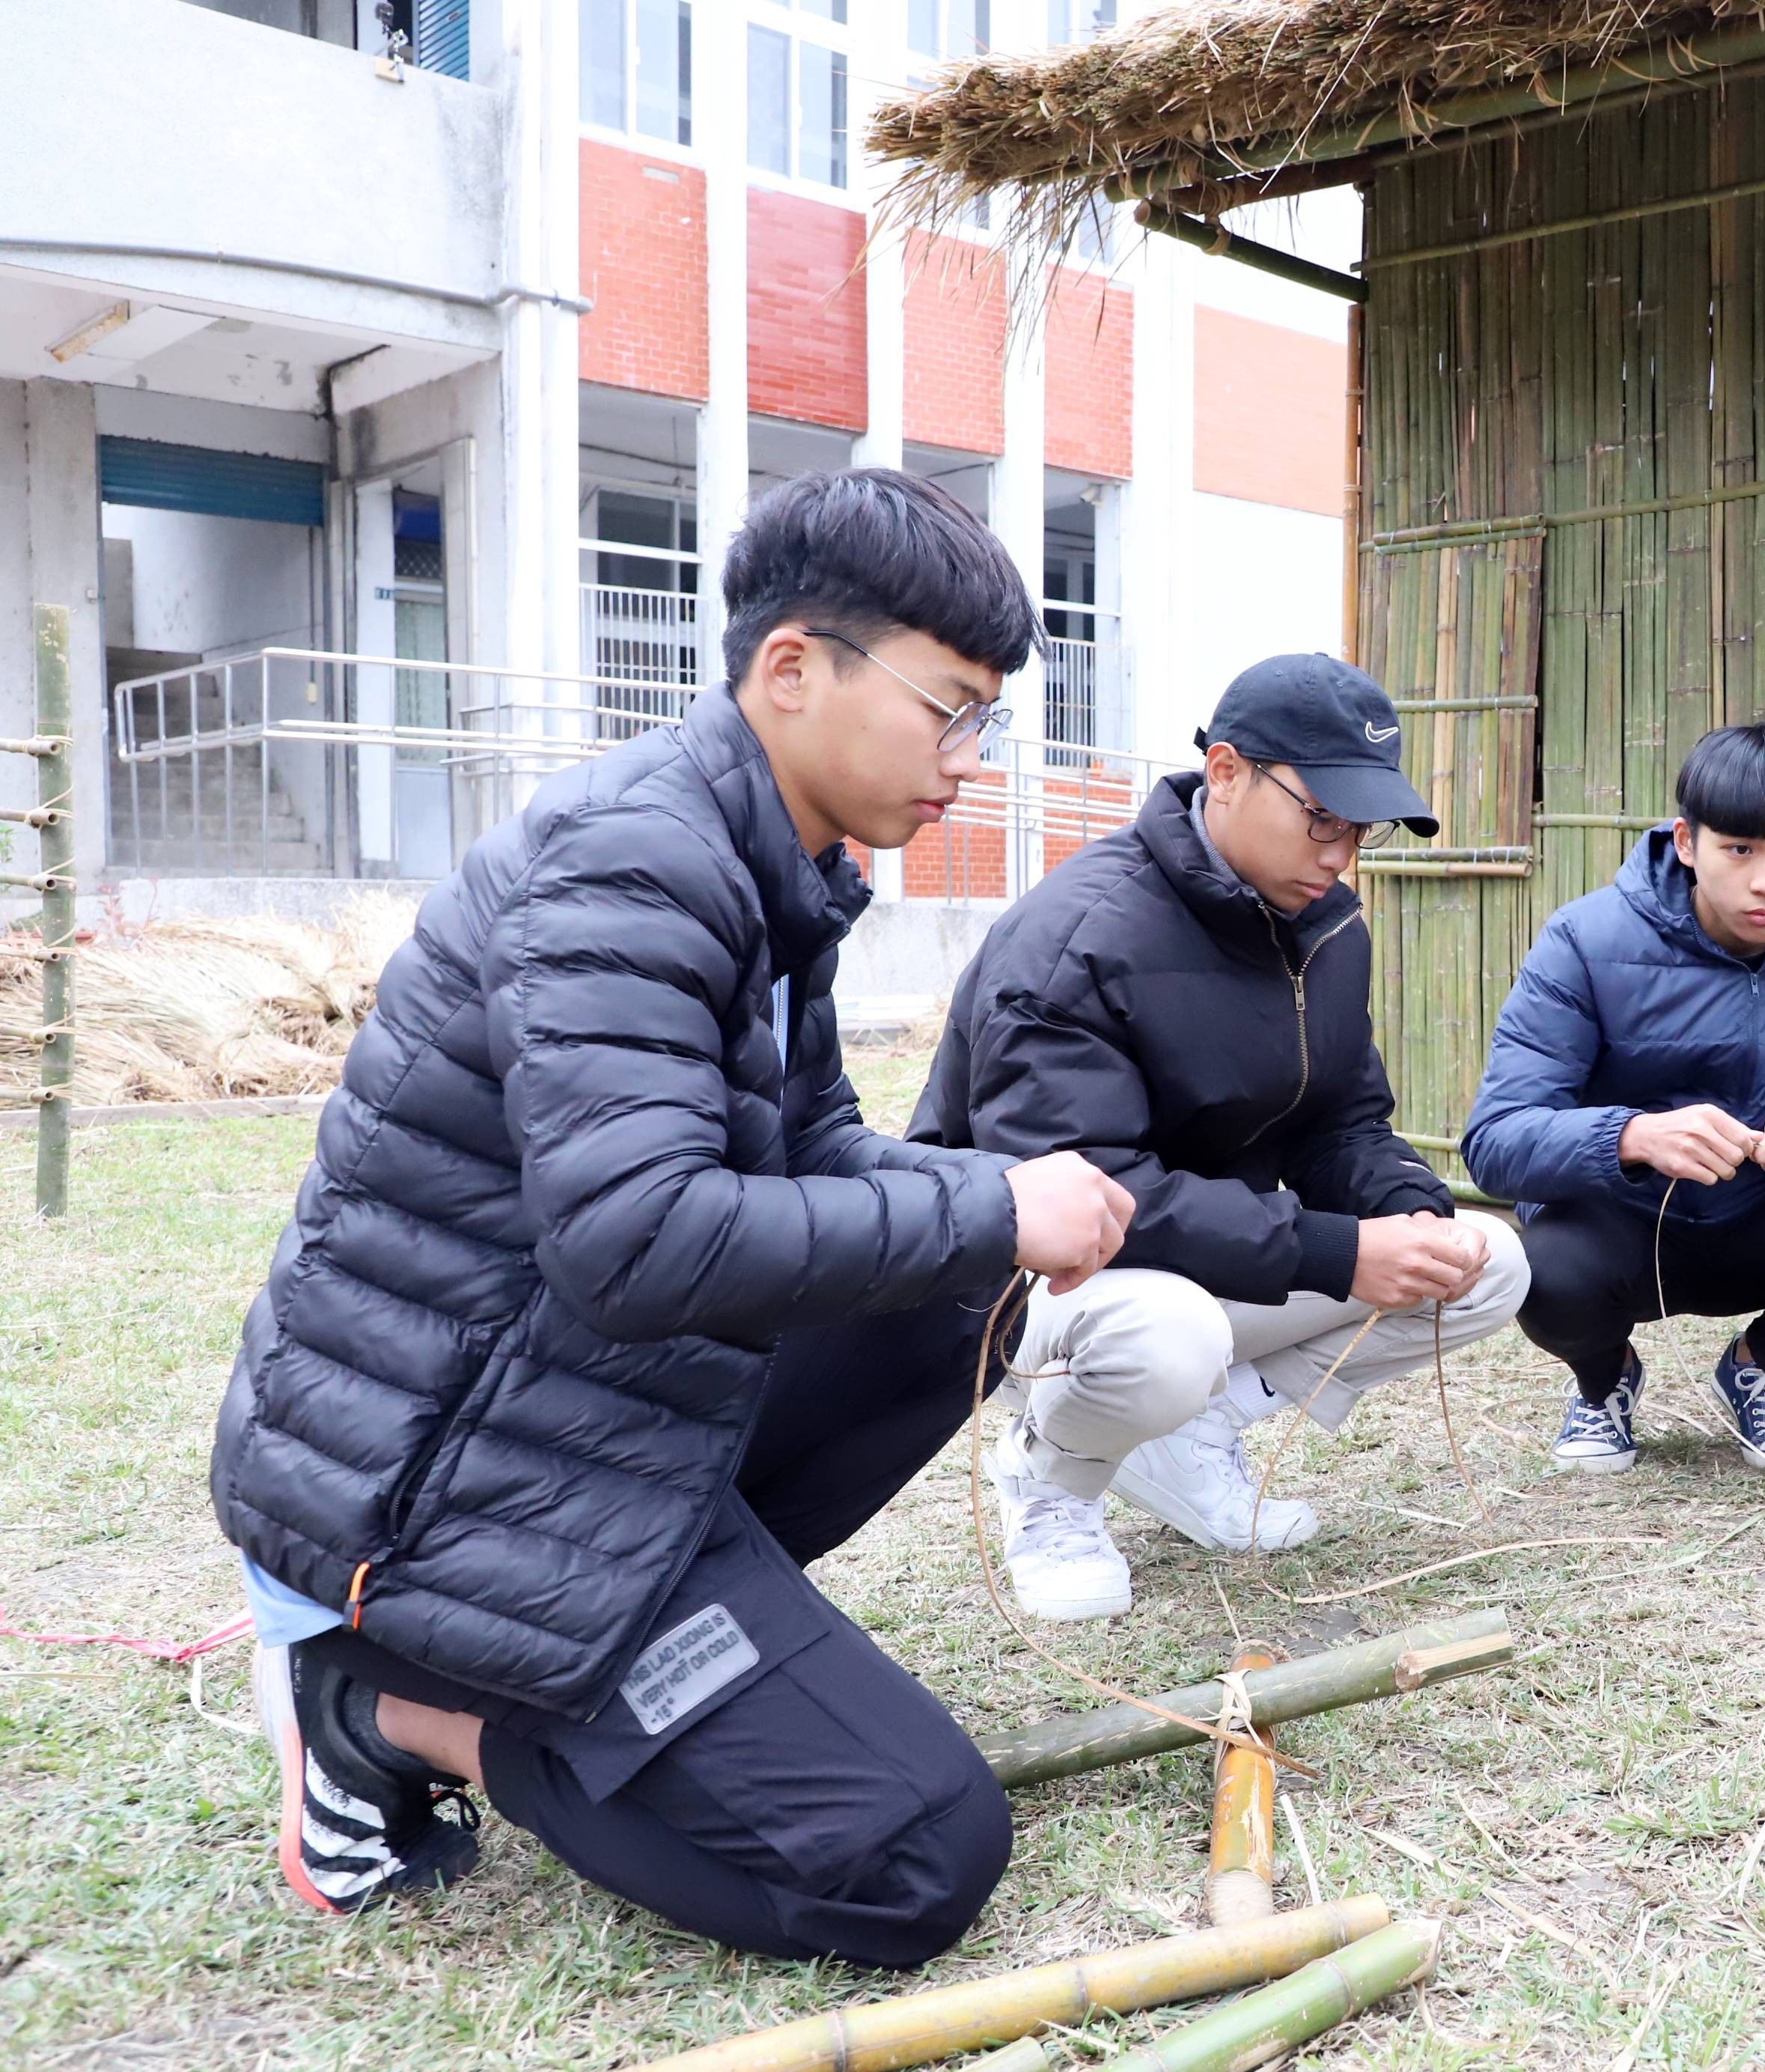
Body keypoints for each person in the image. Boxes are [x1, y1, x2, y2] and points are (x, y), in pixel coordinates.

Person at [208, 469, 1137, 1964]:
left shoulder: (780, 867)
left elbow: (820, 1145)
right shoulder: (631, 862)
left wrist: (998, 1210)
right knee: (916, 1857)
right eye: (947, 707)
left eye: (985, 718)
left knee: (962, 1288)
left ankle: (654, 1645)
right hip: (430, 1480)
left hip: (583, 1409)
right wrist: (991, 1201)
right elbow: (634, 1239)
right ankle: (381, 1711)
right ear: (792, 670)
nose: (969, 757)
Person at [912, 653, 1531, 1621]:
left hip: (1213, 1260)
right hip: (1032, 1284)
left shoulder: (1325, 928)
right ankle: (1049, 1483)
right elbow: (1094, 1197)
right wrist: (1339, 1250)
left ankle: (1193, 1434)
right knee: (1169, 1335)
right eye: (1322, 818)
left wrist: (1404, 1208)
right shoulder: (1079, 936)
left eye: (1359, 829)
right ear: (1229, 771)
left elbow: (1340, 1119)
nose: (1341, 854)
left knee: (1486, 1260)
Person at [1460, 720, 1765, 1476]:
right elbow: (1494, 1139)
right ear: (1687, 841)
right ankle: (1603, 1381)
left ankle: (1764, 1368)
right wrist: (1630, 1137)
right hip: (1624, 1228)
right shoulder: (1583, 940)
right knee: (1541, 1264)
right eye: (1740, 848)